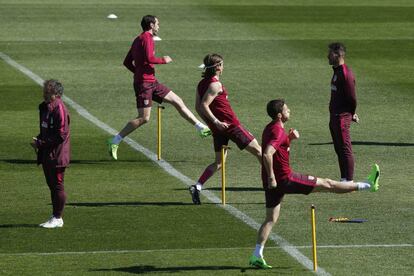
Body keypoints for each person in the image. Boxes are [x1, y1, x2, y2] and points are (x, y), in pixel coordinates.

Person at [249, 99, 380, 269]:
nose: (291, 111)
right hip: (284, 179)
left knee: (270, 218)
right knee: (328, 184)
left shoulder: (271, 128)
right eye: (287, 109)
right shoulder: (277, 131)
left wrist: (289, 138)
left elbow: (277, 149)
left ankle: (256, 255)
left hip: (272, 182)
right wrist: (272, 177)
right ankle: (369, 185)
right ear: (280, 115)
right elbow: (267, 154)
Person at [107, 15, 211, 160]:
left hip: (151, 82)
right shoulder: (146, 39)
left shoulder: (137, 39)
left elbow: (127, 62)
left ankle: (201, 128)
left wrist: (139, 73)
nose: (158, 26)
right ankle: (115, 140)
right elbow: (149, 58)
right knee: (144, 118)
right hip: (144, 84)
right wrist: (164, 60)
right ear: (151, 25)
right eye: (157, 24)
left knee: (177, 101)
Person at [189, 53, 262, 205]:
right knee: (259, 152)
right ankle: (272, 182)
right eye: (221, 64)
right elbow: (203, 105)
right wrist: (215, 121)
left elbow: (197, 107)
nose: (223, 67)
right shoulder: (215, 85)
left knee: (219, 163)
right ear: (217, 67)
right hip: (230, 126)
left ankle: (198, 186)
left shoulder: (201, 83)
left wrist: (211, 124)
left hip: (219, 129)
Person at [30, 80, 70, 228]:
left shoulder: (59, 108)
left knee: (57, 185)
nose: (45, 95)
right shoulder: (45, 107)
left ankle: (58, 217)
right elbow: (47, 131)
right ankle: (55, 216)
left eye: (48, 93)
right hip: (49, 153)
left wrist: (40, 143)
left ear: (57, 94)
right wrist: (39, 138)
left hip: (57, 155)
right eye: (44, 92)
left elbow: (61, 135)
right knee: (52, 185)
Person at [328, 42, 359, 181]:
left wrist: (351, 113)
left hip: (341, 117)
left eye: (330, 53)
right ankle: (344, 179)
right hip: (334, 116)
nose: (327, 56)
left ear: (338, 55)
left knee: (345, 149)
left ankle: (349, 181)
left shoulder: (345, 74)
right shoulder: (337, 71)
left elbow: (352, 97)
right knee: (339, 149)